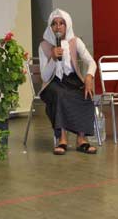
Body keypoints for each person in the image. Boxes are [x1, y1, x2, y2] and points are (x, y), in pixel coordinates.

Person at [38, 9, 98, 155]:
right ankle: (62, 139)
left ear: (67, 25)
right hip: (52, 83)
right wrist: (53, 58)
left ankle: (81, 139)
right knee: (60, 95)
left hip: (72, 80)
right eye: (54, 24)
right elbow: (45, 77)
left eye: (62, 23)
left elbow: (92, 62)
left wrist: (89, 76)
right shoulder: (44, 46)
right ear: (50, 27)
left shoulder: (75, 42)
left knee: (86, 94)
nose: (58, 27)